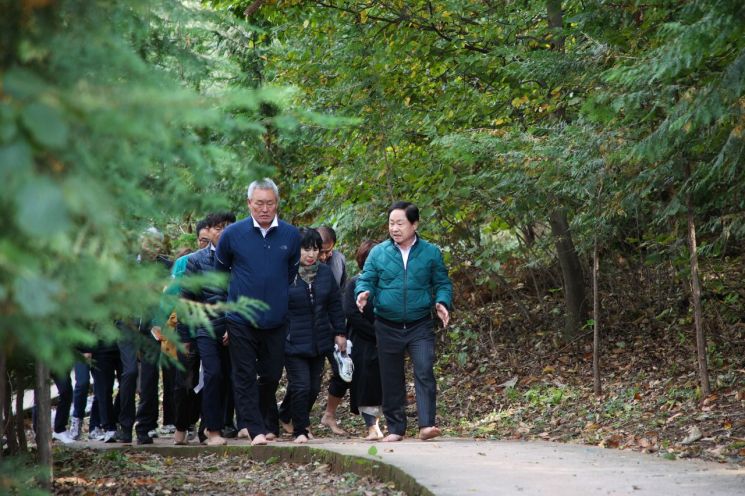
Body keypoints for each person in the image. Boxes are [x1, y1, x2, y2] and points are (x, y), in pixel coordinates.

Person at [356, 201, 452, 442]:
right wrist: (363, 292)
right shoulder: (379, 253)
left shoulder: (430, 252)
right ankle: (396, 428)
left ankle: (427, 425)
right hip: (387, 323)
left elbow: (442, 282)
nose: (394, 228)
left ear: (414, 224)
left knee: (424, 369)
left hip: (420, 323)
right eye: (391, 223)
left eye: (400, 223)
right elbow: (366, 278)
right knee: (391, 377)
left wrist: (442, 301)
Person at [216, 178, 301, 446]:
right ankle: (255, 429)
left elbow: (289, 273)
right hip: (240, 318)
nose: (264, 209)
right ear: (249, 203)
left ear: (277, 203)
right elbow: (220, 276)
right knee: (243, 375)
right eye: (259, 203)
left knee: (271, 374)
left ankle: (265, 420)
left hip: (276, 318)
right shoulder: (232, 235)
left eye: (270, 203)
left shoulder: (290, 235)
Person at [284, 228, 347, 444]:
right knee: (300, 386)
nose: (310, 254)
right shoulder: (285, 273)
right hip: (293, 340)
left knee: (312, 388)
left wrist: (340, 333)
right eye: (305, 249)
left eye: (314, 249)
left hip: (320, 340)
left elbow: (335, 304)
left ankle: (289, 418)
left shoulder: (325, 273)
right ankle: (300, 430)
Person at [179, 211, 235, 446]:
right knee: (212, 375)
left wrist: (233, 324)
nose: (223, 232)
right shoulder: (196, 260)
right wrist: (184, 336)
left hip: (235, 326)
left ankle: (220, 425)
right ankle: (212, 431)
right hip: (205, 328)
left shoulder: (240, 258)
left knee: (232, 378)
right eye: (218, 227)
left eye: (228, 227)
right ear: (209, 231)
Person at [345, 240, 383, 440]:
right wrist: (374, 334)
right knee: (365, 382)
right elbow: (352, 314)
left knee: (385, 381)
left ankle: (385, 422)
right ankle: (371, 426)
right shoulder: (354, 283)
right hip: (362, 341)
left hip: (387, 339)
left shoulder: (387, 284)